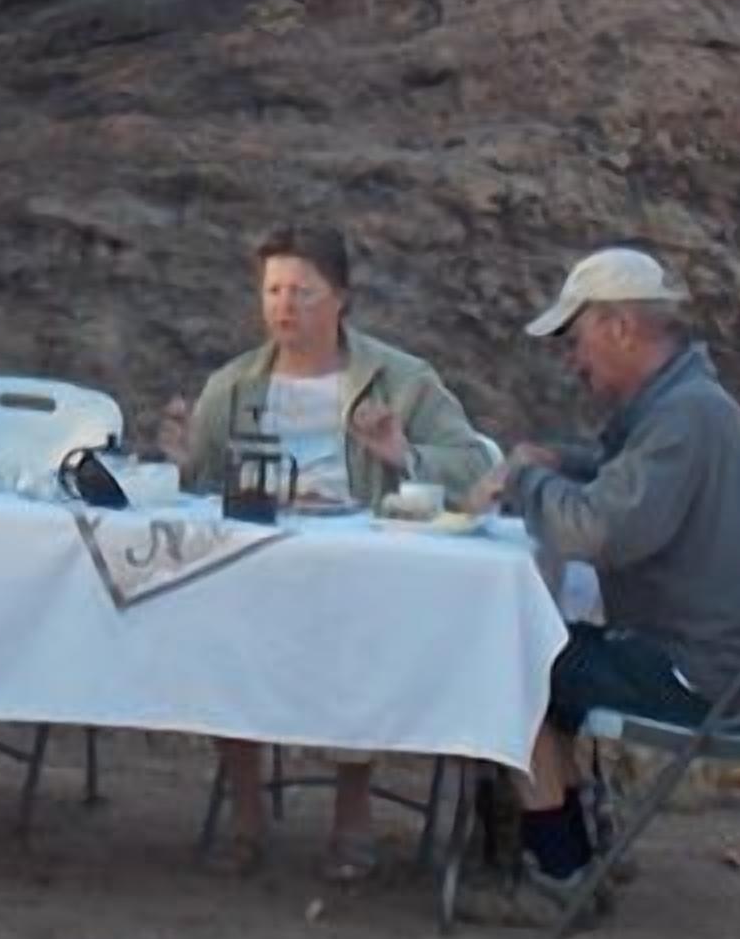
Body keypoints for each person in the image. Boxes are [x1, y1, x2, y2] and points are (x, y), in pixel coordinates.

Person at [157, 223, 498, 882]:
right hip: (260, 560)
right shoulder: (233, 386)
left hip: (358, 563)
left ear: (340, 297)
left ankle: (352, 812)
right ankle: (246, 812)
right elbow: (200, 489)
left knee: (357, 628)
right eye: (274, 291)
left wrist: (402, 455)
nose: (286, 306)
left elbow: (472, 467)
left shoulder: (399, 380)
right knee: (220, 624)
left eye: (304, 292)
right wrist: (179, 463)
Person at [468, 244, 740, 887]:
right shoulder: (686, 403)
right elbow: (629, 481)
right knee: (538, 652)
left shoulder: (686, 415)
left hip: (698, 671)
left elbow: (598, 531)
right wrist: (563, 463)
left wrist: (526, 480)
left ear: (619, 327)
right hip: (729, 661)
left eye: (575, 339)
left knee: (503, 663)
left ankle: (558, 869)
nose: (572, 358)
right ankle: (581, 839)